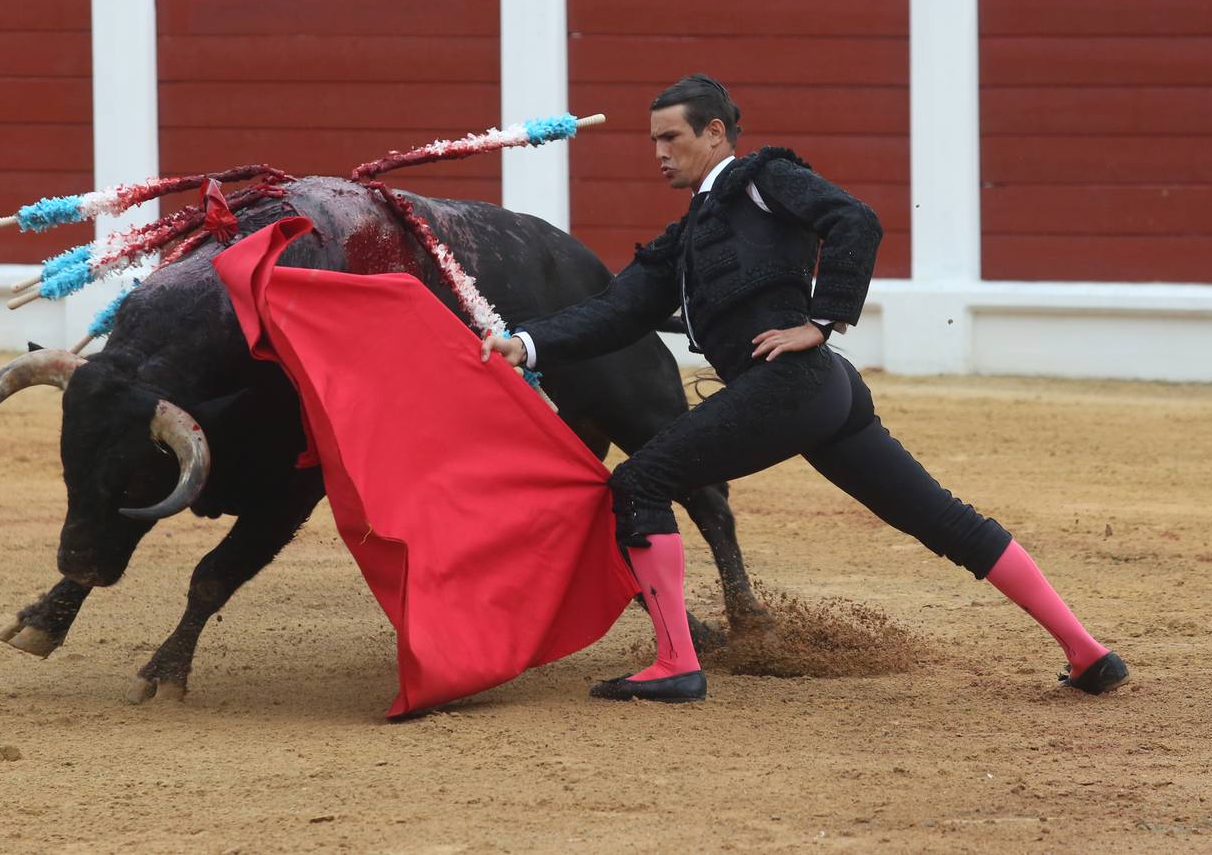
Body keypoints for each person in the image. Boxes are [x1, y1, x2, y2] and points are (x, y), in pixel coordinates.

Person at [481, 74, 1129, 704]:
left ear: (714, 132)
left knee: (638, 482)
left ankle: (676, 663)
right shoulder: (685, 238)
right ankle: (1086, 651)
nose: (658, 153)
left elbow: (855, 221)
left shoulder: (760, 180)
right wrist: (528, 343)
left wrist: (821, 321)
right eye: (652, 140)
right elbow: (617, 310)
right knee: (940, 518)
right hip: (822, 396)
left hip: (793, 383)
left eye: (669, 137)